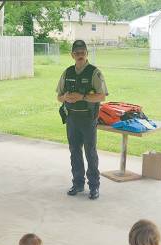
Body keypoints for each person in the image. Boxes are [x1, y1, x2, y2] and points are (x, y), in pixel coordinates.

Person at [56, 39, 108, 200]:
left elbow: (102, 96)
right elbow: (58, 97)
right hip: (72, 119)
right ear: (72, 55)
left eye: (82, 53)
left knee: (90, 153)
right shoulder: (67, 73)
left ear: (87, 54)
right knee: (74, 152)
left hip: (88, 119)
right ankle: (78, 184)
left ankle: (94, 187)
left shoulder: (94, 72)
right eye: (77, 53)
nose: (80, 55)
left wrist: (83, 97)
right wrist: (65, 97)